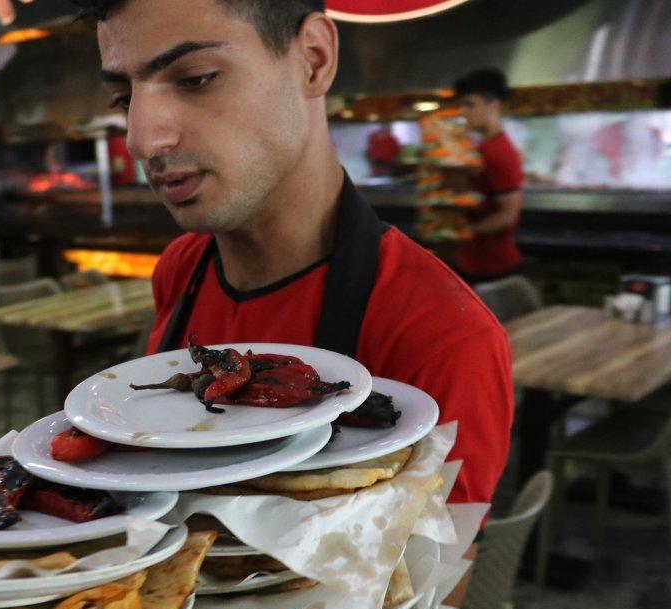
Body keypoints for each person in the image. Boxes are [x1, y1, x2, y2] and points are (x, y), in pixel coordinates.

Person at [79, 0, 512, 512]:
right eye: (123, 98)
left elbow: (437, 578)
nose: (142, 139)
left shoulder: (440, 332)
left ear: (313, 59)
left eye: (196, 78)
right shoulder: (182, 267)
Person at [452, 68, 525, 282]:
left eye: (470, 104)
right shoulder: (483, 148)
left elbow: (508, 215)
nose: (462, 112)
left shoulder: (499, 152)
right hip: (474, 262)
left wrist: (463, 232)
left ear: (493, 106)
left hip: (493, 267)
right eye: (461, 105)